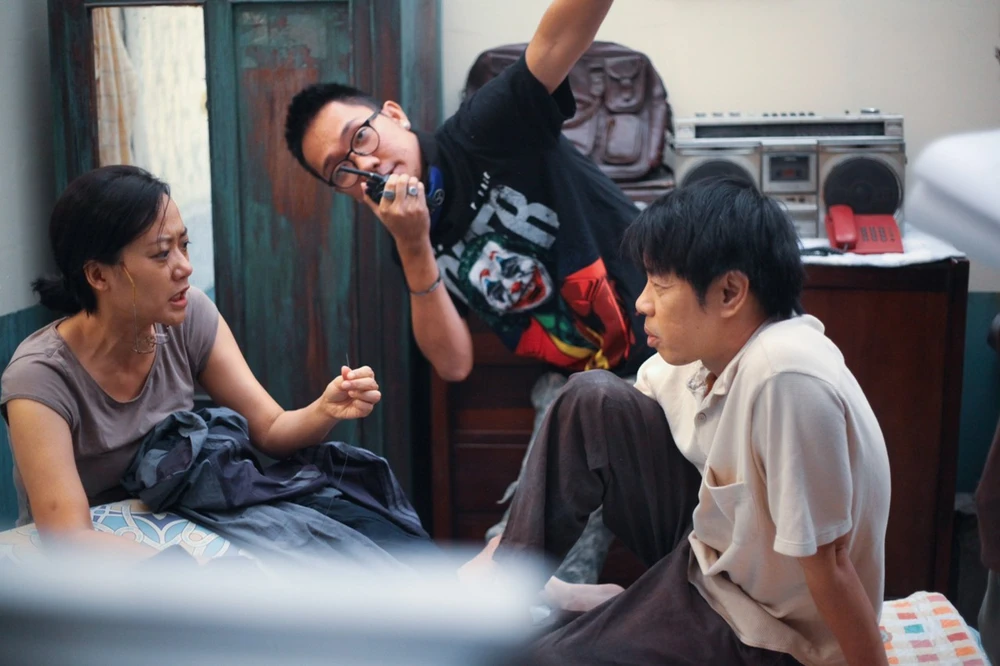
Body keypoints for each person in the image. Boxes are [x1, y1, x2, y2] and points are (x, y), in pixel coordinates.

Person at [283, 0, 651, 584]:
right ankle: (534, 588)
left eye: (362, 136)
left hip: (665, 341)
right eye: (341, 171)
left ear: (395, 115)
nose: (365, 163)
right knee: (542, 532)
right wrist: (413, 246)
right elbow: (453, 363)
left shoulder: (483, 130)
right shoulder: (407, 238)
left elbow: (558, 40)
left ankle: (518, 580)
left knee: (530, 541)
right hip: (582, 383)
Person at [486, 178, 892, 665]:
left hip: (770, 631)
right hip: (709, 561)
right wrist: (504, 553)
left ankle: (605, 609)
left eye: (660, 286)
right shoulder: (708, 354)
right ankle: (511, 589)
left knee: (536, 659)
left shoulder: (784, 375)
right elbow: (605, 434)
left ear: (729, 292)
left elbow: (830, 563)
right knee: (591, 398)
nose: (642, 303)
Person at [0, 165, 389, 556]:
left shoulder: (189, 318)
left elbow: (271, 428)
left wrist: (325, 409)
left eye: (184, 245)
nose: (185, 267)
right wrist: (195, 574)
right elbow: (69, 538)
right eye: (161, 254)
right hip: (100, 567)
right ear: (99, 276)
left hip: (181, 533)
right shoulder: (40, 379)